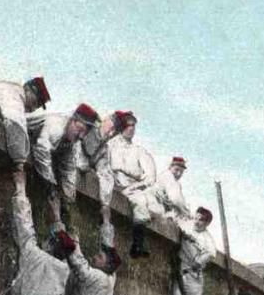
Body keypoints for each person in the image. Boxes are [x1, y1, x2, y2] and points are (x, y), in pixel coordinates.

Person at [27, 103, 99, 232]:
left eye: (85, 133)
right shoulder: (56, 126)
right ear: (72, 120)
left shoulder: (71, 142)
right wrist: (51, 188)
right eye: (80, 130)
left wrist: (68, 200)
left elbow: (68, 170)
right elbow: (41, 151)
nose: (81, 136)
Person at [76, 110, 136, 231]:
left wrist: (105, 205)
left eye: (115, 132)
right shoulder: (87, 127)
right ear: (106, 120)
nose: (111, 133)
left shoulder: (103, 149)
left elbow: (106, 175)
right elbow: (79, 162)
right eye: (112, 127)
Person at [107, 112, 157, 257]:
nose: (131, 129)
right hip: (112, 181)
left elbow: (150, 176)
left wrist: (135, 186)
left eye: (134, 126)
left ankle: (138, 244)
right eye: (128, 125)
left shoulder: (139, 151)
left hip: (132, 187)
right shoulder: (110, 145)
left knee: (141, 201)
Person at [171, 207, 216, 295]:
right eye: (196, 218)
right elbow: (175, 217)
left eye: (201, 220)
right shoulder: (187, 224)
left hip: (193, 277)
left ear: (207, 223)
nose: (197, 221)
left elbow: (210, 254)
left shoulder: (207, 240)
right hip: (180, 272)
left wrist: (198, 260)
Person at [146, 156, 190, 223]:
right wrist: (187, 213)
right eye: (176, 170)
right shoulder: (169, 177)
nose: (179, 174)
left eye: (181, 172)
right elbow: (176, 199)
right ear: (170, 167)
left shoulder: (164, 175)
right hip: (153, 205)